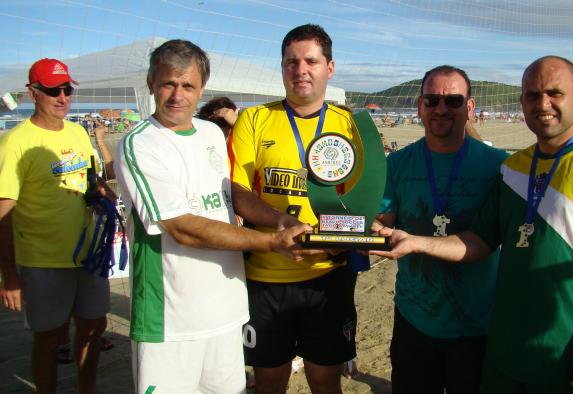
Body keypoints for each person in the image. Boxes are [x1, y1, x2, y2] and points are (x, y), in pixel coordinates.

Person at [372, 56, 573, 394]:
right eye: (533, 96)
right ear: (522, 101)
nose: (543, 104)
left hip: (564, 353)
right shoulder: (513, 168)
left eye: (555, 93)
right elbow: (478, 241)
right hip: (502, 353)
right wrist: (415, 242)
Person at [114, 39, 309, 394]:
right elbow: (183, 228)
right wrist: (269, 241)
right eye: (168, 83)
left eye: (188, 85)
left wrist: (278, 219)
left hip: (226, 312)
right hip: (170, 321)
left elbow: (232, 194)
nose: (178, 95)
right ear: (150, 84)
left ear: (202, 88)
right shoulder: (139, 143)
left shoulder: (210, 134)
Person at [229, 24, 357, 394]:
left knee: (324, 380)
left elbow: (362, 198)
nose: (300, 69)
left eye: (311, 61)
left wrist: (333, 240)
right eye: (291, 62)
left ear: (329, 68)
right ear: (282, 67)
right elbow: (238, 190)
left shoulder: (349, 123)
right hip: (265, 276)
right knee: (269, 382)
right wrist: (282, 222)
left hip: (328, 274)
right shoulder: (254, 119)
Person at [374, 65, 508, 393]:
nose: (441, 109)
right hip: (414, 322)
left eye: (453, 100)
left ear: (470, 108)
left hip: (477, 325)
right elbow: (383, 222)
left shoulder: (499, 165)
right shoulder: (397, 164)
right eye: (432, 100)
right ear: (420, 106)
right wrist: (356, 226)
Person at [0, 58, 112, 393]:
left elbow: (90, 180)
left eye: (67, 89)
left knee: (94, 328)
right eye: (52, 90)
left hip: (88, 257)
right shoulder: (14, 142)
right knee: (48, 338)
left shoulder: (78, 132)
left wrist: (100, 193)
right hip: (42, 261)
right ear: (32, 92)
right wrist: (10, 276)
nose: (62, 97)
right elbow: (3, 213)